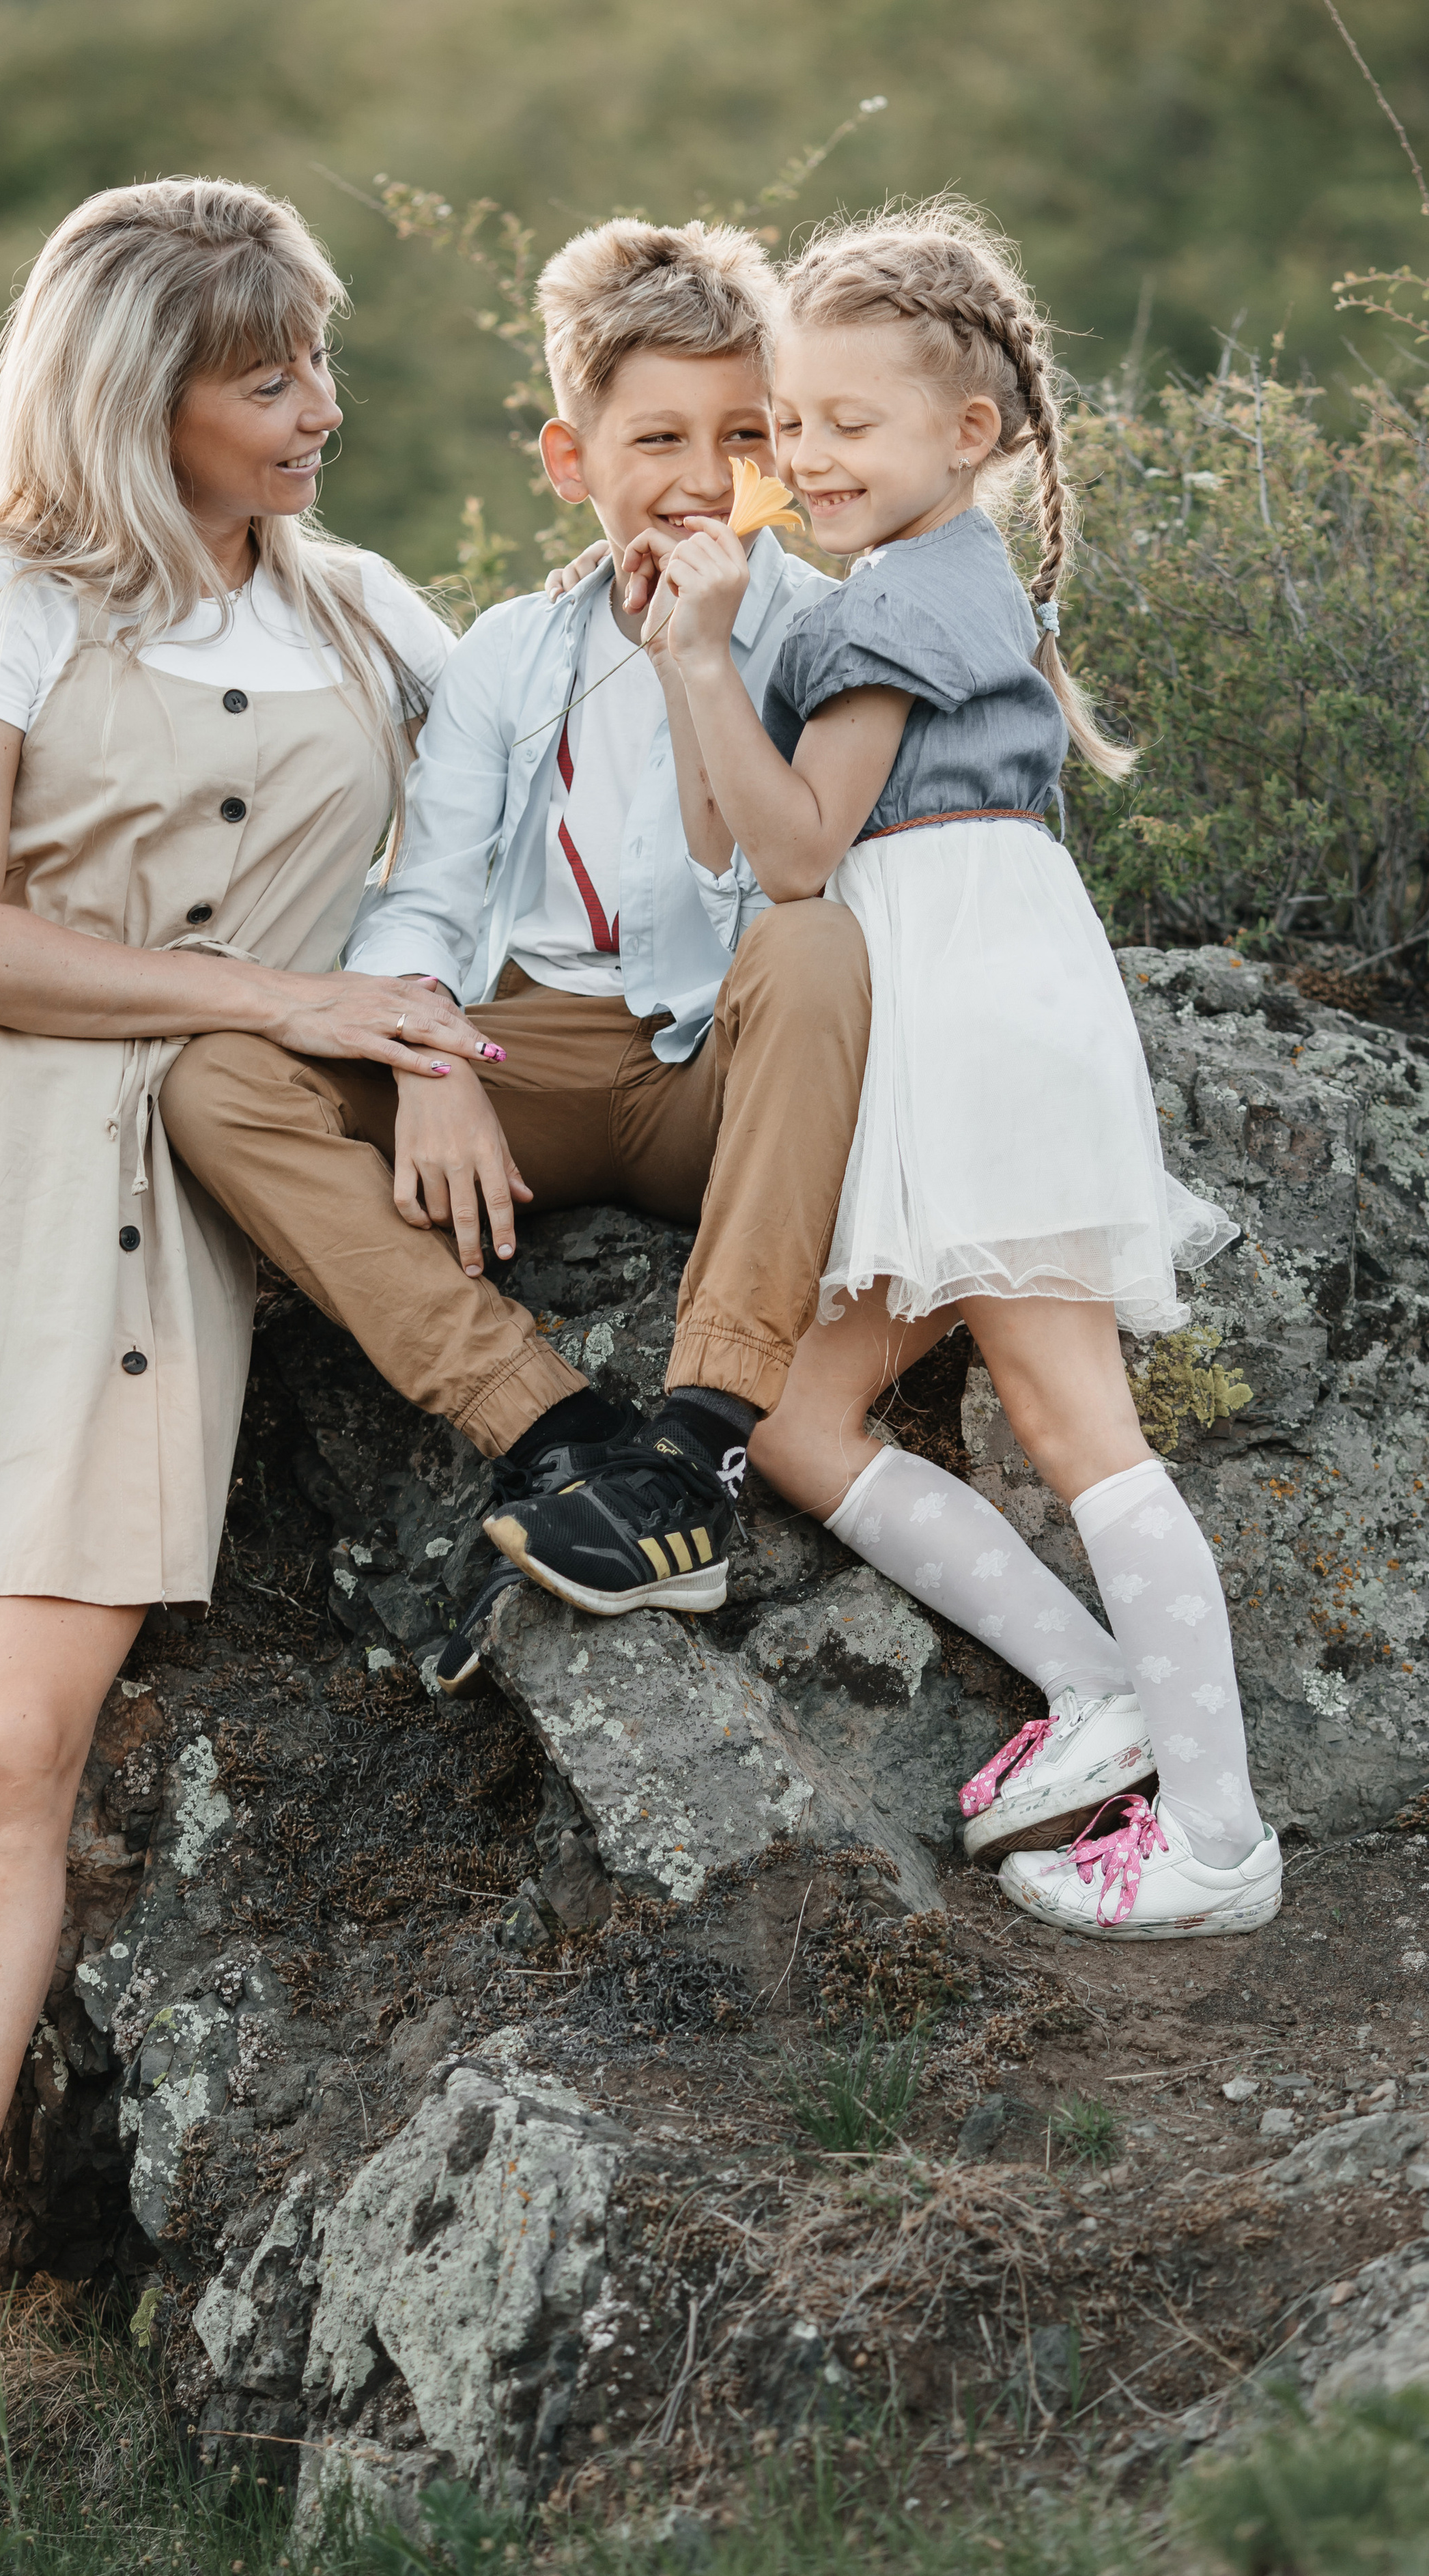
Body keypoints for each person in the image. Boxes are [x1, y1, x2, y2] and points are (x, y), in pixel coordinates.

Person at [0, 177, 483, 2563]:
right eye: (272, 377)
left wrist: (428, 1032)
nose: (323, 408)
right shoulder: (1, 592)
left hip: (152, 1242)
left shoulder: (370, 614)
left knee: (5, 1759)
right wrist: (303, 1002)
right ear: (140, 399)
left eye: (317, 362)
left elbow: (494, 861)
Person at [492, 201, 1281, 1942]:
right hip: (926, 1028)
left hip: (976, 1021)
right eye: (791, 425)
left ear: (966, 436)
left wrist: (708, 662)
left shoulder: (915, 599)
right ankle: (1097, 1690)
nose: (803, 458)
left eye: (847, 425)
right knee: (788, 1415)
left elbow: (785, 860)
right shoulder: (858, 599)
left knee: (1073, 1421)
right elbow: (719, 823)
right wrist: (685, 651)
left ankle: (1218, 1839)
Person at [162, 218, 871, 1693]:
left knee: (812, 951)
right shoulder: (503, 650)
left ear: (784, 455)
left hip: (719, 1070)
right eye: (656, 437)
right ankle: (551, 1427)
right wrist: (428, 1053)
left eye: (742, 437)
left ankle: (697, 1436)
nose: (697, 477)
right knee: (219, 1085)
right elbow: (421, 892)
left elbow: (775, 882)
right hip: (531, 1044)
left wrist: (705, 656)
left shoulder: (819, 630)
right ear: (571, 461)